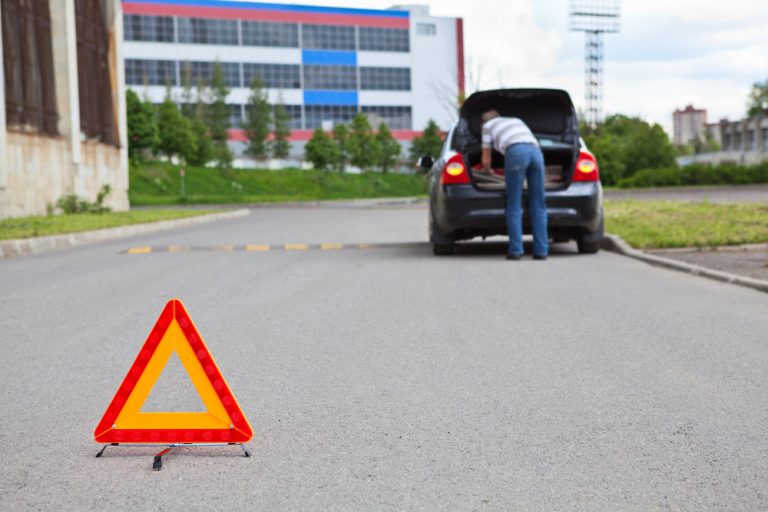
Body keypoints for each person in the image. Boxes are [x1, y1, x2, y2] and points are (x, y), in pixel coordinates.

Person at [481, 110, 548, 260]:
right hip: (536, 152)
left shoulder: (487, 126)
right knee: (538, 203)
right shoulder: (516, 120)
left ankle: (516, 250)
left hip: (516, 152)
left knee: (514, 204)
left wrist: (487, 171)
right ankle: (541, 251)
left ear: (484, 121)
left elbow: (485, 159)